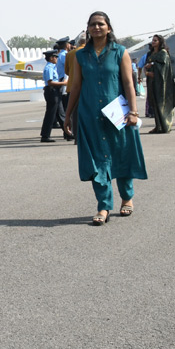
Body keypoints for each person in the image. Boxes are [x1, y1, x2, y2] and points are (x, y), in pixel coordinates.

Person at [64, 11, 147, 225]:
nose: (96, 27)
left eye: (100, 24)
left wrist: (133, 111)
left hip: (118, 114)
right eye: (92, 24)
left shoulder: (120, 52)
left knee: (122, 154)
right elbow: (76, 86)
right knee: (97, 160)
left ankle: (127, 197)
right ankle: (103, 206)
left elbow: (129, 83)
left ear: (108, 27)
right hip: (89, 114)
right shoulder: (80, 55)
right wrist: (68, 115)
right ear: (88, 29)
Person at [142, 33, 175, 133]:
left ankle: (165, 126)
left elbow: (163, 68)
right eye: (153, 40)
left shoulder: (163, 53)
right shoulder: (150, 54)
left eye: (155, 40)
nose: (153, 42)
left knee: (161, 104)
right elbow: (146, 65)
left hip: (161, 84)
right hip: (151, 83)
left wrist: (152, 68)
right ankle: (158, 126)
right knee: (154, 104)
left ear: (160, 42)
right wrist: (147, 71)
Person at [39, 51, 66, 142]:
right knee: (51, 114)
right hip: (52, 91)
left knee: (61, 113)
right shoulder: (49, 68)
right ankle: (45, 136)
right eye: (55, 57)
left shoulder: (52, 67)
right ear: (51, 58)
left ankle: (68, 133)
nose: (57, 59)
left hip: (55, 91)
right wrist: (64, 83)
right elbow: (50, 82)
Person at [55, 38, 76, 140]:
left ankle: (68, 133)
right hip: (65, 83)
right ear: (67, 45)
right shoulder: (65, 55)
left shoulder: (62, 55)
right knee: (69, 109)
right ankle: (69, 134)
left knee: (66, 109)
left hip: (63, 83)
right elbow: (71, 68)